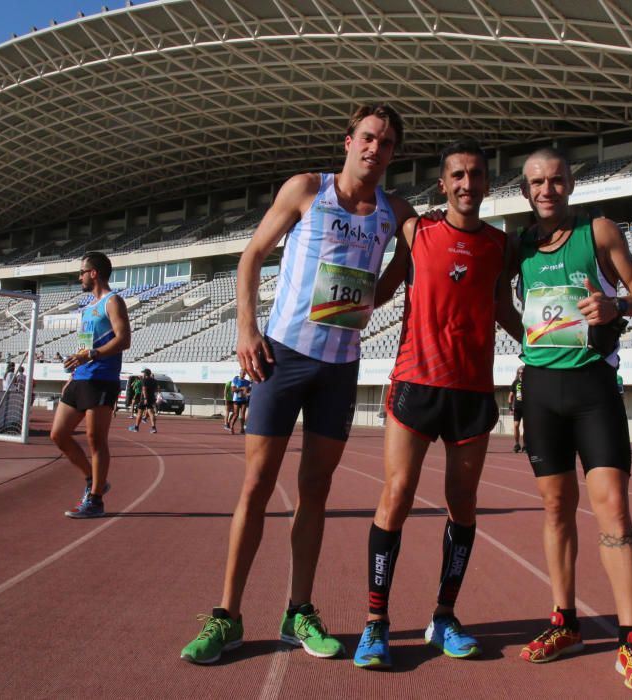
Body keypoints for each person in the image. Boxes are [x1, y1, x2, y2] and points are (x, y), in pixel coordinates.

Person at [180, 103, 415, 665]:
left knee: (316, 492)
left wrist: (372, 301)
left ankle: (298, 612)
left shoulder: (395, 211)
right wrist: (246, 326)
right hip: (282, 357)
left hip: (340, 367)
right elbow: (252, 255)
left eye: (385, 143)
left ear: (393, 154)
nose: (373, 149)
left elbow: (410, 260)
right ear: (348, 141)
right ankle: (227, 616)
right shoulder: (308, 190)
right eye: (367, 138)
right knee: (257, 485)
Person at [352, 139, 522, 669]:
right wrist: (336, 307)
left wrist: (548, 343)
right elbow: (379, 289)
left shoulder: (501, 245)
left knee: (463, 505)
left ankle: (443, 616)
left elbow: (503, 310)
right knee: (396, 495)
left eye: (476, 174)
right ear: (443, 184)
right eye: (457, 175)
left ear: (488, 184)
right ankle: (376, 622)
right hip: (415, 385)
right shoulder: (417, 231)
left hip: (472, 392)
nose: (467, 183)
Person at [514, 147, 632, 692]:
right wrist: (522, 335)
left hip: (592, 388)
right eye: (537, 182)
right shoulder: (520, 244)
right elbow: (496, 298)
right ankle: (565, 622)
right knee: (556, 508)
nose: (547, 189)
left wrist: (617, 307)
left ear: (570, 184)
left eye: (556, 180)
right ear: (525, 190)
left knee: (614, 514)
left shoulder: (597, 231)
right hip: (541, 389)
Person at [49, 252, 131, 519]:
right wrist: (72, 374)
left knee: (96, 440)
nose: (79, 276)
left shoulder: (113, 301)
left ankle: (95, 500)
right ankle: (93, 480)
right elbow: (85, 347)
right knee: (59, 435)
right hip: (80, 378)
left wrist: (94, 354)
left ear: (94, 273)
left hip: (101, 379)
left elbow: (124, 340)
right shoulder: (86, 309)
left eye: (82, 272)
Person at [129, 368, 158, 434]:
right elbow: (156, 389)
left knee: (140, 412)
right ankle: (153, 428)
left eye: (143, 373)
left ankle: (136, 428)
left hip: (144, 399)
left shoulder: (144, 380)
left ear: (145, 374)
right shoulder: (154, 381)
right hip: (151, 398)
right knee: (151, 412)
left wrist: (145, 398)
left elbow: (144, 389)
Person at [509, 366, 526, 453]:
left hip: (527, 408)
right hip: (517, 408)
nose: (520, 374)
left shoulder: (529, 382)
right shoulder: (515, 382)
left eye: (522, 373)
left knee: (526, 427)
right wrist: (510, 407)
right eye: (519, 373)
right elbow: (511, 395)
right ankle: (516, 444)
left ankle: (525, 445)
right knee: (516, 425)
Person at [230, 369, 251, 434]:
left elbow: (249, 390)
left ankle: (242, 429)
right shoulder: (235, 380)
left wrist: (247, 391)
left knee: (242, 415)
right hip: (236, 400)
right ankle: (231, 427)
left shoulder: (247, 382)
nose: (243, 375)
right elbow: (233, 390)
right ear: (240, 373)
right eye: (242, 373)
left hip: (244, 400)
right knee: (236, 415)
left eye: (244, 374)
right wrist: (242, 388)